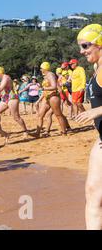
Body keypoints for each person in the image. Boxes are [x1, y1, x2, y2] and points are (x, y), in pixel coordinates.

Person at [72, 24, 102, 229]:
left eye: (85, 45)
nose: (82, 51)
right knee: (92, 192)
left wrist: (97, 111)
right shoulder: (96, 67)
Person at [34, 62, 69, 137]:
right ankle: (37, 133)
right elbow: (47, 90)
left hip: (54, 97)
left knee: (58, 115)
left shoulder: (50, 75)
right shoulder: (46, 76)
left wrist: (42, 88)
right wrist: (39, 100)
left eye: (41, 68)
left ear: (44, 68)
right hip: (47, 97)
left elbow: (54, 87)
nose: (40, 70)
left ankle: (64, 132)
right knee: (40, 115)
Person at [0, 67, 29, 138]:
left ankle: (25, 131)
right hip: (6, 98)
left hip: (12, 97)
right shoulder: (3, 78)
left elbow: (0, 88)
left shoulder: (6, 77)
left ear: (0, 72)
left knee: (16, 117)